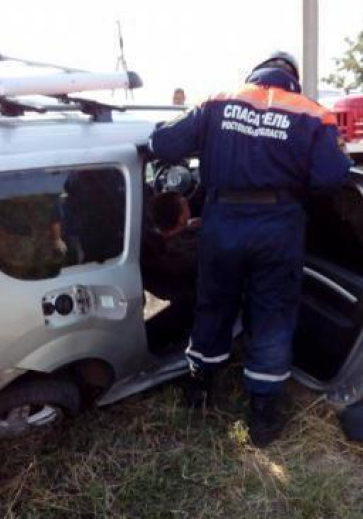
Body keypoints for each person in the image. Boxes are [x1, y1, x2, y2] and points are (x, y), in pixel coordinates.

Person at [148, 51, 352, 447]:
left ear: (254, 74)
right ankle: (262, 412)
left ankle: (200, 386)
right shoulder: (313, 114)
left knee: (214, 303)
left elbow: (162, 143)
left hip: (222, 221)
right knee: (272, 313)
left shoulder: (217, 101)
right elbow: (330, 178)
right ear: (293, 77)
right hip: (278, 225)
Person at [140, 191, 199, 354]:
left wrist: (186, 227)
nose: (188, 204)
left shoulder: (152, 240)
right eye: (185, 204)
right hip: (187, 305)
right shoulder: (181, 254)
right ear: (180, 218)